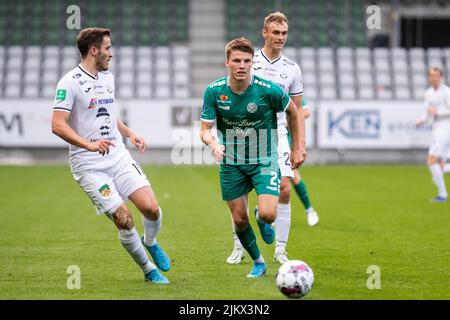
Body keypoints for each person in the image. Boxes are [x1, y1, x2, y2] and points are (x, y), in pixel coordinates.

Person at [51, 28, 171, 284]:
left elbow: (106, 115)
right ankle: (149, 270)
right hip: (89, 165)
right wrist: (89, 145)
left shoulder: (108, 78)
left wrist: (129, 133)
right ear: (93, 50)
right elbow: (58, 124)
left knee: (151, 209)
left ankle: (151, 241)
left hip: (117, 155)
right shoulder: (69, 82)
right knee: (124, 219)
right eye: (107, 48)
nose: (111, 53)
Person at [200, 37, 306, 278]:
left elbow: (293, 111)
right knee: (239, 220)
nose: (242, 65)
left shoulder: (268, 90)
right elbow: (204, 130)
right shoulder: (214, 91)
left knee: (269, 214)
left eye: (247, 61)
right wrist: (214, 144)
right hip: (232, 163)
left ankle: (261, 217)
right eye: (236, 60)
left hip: (264, 160)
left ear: (252, 63)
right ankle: (258, 262)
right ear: (227, 62)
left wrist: (297, 145)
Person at [226, 12, 318, 266]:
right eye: (275, 32)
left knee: (285, 189)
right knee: (241, 191)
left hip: (277, 134)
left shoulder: (292, 69)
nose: (280, 37)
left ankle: (280, 249)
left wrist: (300, 145)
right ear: (264, 32)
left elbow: (296, 111)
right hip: (245, 132)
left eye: (284, 33)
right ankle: (238, 245)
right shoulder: (247, 62)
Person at [416, 67, 450, 203]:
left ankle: (442, 195)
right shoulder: (428, 93)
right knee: (440, 164)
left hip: (445, 128)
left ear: (441, 77)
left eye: (436, 75)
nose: (434, 78)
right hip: (436, 128)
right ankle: (442, 192)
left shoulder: (446, 92)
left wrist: (438, 113)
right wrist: (421, 120)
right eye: (431, 75)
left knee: (431, 161)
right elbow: (428, 111)